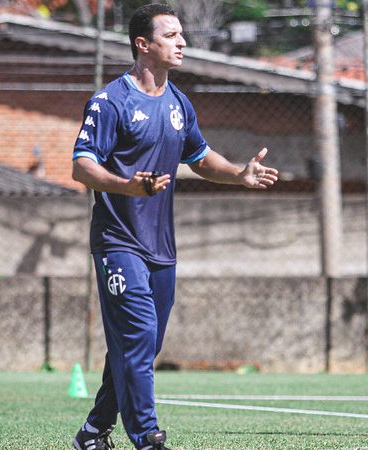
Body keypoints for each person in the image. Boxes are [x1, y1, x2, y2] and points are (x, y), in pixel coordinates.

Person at [69, 4, 279, 450]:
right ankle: (147, 436)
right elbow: (82, 167)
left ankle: (92, 431)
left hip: (161, 247)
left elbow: (201, 158)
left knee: (141, 345)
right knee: (139, 337)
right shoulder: (111, 102)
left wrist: (238, 174)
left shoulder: (179, 102)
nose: (182, 41)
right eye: (171, 35)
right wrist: (126, 186)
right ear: (143, 44)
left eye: (182, 34)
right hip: (117, 242)